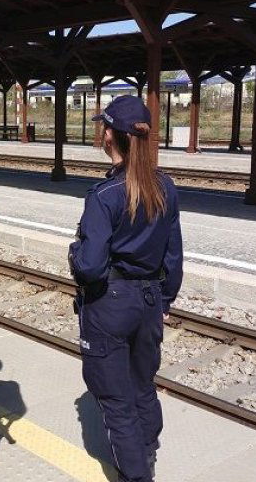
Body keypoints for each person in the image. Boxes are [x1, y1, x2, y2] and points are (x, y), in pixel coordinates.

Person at [68, 95, 183, 482]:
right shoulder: (166, 188)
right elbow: (173, 258)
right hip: (150, 300)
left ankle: (137, 475)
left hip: (109, 305)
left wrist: (74, 253)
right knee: (142, 387)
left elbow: (89, 267)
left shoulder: (103, 197)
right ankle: (147, 453)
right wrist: (164, 300)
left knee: (116, 402)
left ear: (109, 137)